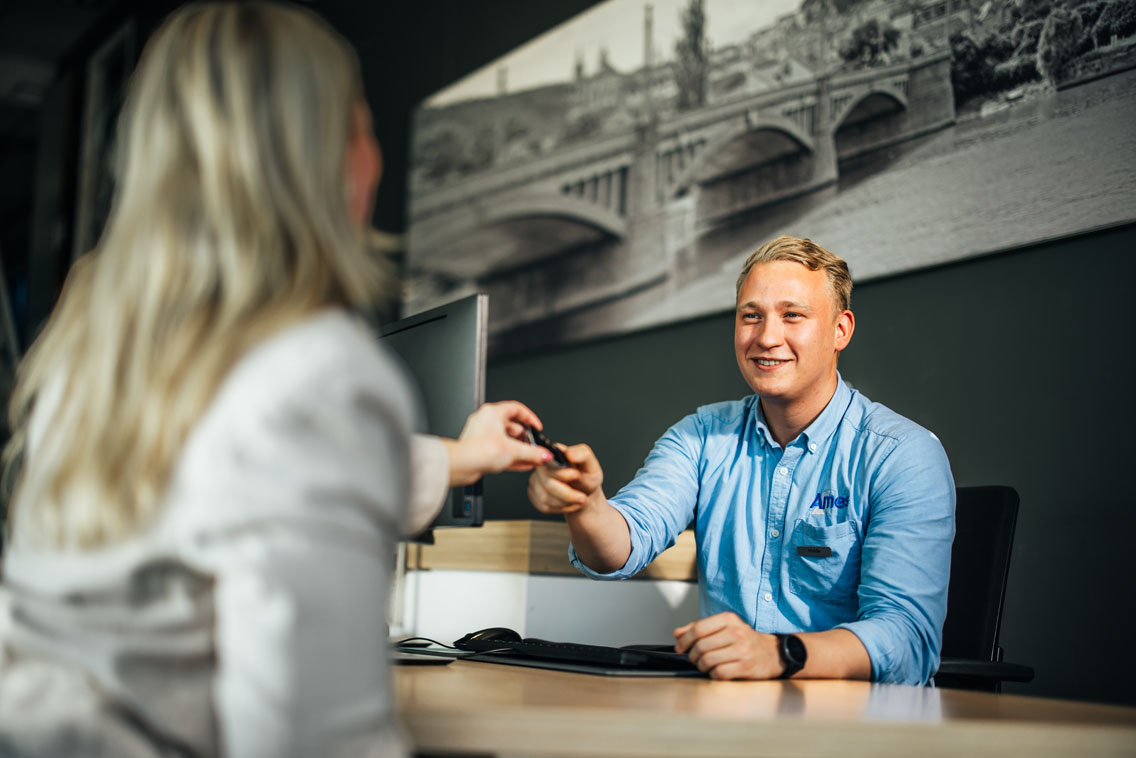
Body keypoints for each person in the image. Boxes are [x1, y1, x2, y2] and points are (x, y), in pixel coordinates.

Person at [0, 4, 548, 757]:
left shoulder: (96, 350)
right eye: (361, 124)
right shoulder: (314, 368)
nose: (373, 155)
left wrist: (464, 456)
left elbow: (244, 475)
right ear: (324, 157)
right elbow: (314, 738)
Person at [527, 235, 954, 685]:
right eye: (752, 317)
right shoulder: (701, 436)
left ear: (840, 330)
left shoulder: (902, 454)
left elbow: (908, 642)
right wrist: (584, 503)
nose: (767, 338)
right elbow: (617, 549)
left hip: (855, 728)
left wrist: (780, 654)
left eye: (793, 316)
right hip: (731, 717)